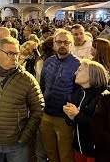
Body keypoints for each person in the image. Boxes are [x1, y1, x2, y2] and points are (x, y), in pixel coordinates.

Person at [0, 37, 44, 162]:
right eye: (10, 53)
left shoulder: (27, 79)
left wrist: (25, 135)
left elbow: (38, 108)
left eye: (16, 53)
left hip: (17, 143)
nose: (14, 57)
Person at [40, 29, 80, 162]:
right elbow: (42, 85)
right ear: (54, 45)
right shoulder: (48, 61)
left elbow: (79, 92)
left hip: (64, 119)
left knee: (65, 155)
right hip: (46, 115)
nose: (62, 45)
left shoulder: (78, 64)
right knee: (50, 153)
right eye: (59, 42)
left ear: (71, 44)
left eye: (66, 42)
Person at [63, 59, 109, 162]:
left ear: (91, 74)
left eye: (79, 70)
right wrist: (70, 116)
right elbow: (71, 121)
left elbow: (101, 125)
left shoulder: (104, 97)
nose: (75, 73)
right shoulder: (78, 92)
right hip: (79, 147)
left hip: (96, 150)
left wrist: (77, 115)